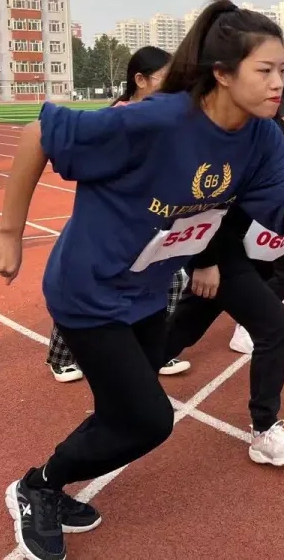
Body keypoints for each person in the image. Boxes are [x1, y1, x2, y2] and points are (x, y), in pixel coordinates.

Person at [0, 0, 284, 560]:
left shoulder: (261, 138)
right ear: (222, 74)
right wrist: (9, 232)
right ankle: (38, 487)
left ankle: (50, 482)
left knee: (124, 410)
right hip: (90, 288)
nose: (279, 83)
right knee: (151, 421)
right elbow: (39, 133)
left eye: (282, 69)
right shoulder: (156, 121)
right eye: (265, 70)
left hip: (149, 292)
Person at [162, 47, 284, 467]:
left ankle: (128, 371)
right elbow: (212, 199)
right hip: (226, 247)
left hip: (266, 252)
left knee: (186, 326)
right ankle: (264, 430)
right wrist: (206, 260)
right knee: (274, 327)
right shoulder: (270, 138)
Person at [44, 46, 192, 383]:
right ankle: (61, 356)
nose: (175, 88)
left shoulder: (168, 120)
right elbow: (43, 138)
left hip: (153, 219)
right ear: (140, 80)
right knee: (87, 293)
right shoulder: (117, 118)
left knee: (171, 279)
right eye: (166, 79)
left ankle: (154, 350)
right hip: (110, 222)